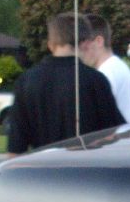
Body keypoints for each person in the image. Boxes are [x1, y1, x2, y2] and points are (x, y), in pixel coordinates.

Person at [7, 13, 124, 156]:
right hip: (87, 170)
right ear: (86, 43)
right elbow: (113, 135)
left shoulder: (26, 81)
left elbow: (15, 148)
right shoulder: (96, 81)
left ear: (50, 44)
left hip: (43, 172)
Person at [82, 13, 130, 123]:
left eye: (84, 44)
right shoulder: (116, 67)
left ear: (99, 41)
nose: (80, 50)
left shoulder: (107, 73)